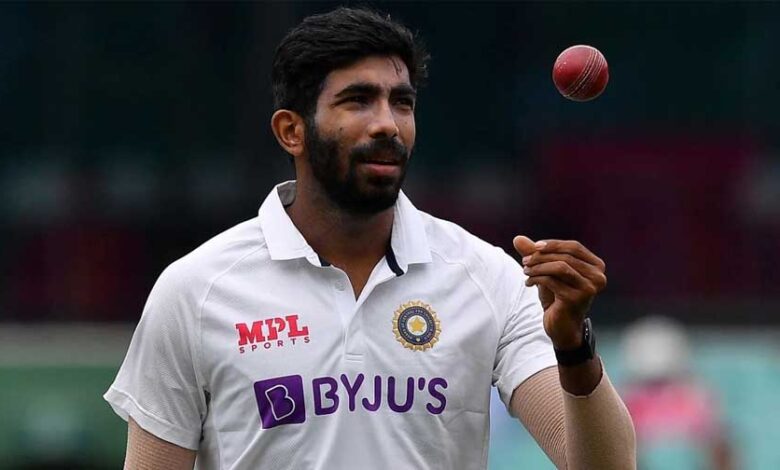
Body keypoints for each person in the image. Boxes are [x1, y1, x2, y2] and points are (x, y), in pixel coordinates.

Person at [104, 7, 636, 469]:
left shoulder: (488, 277)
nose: (388, 124)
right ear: (292, 131)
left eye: (401, 103)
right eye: (358, 101)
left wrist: (574, 345)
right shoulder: (196, 291)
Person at [621, 316, 734, 470]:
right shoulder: (626, 403)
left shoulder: (698, 399)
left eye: (663, 382)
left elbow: (721, 450)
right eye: (651, 384)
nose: (658, 393)